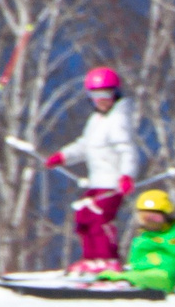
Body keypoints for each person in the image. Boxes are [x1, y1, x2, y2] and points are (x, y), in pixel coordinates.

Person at [46, 67, 139, 275]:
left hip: (113, 182)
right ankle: (91, 259)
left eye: (106, 94)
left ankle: (108, 259)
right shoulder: (96, 120)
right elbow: (85, 145)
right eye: (95, 95)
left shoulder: (118, 119)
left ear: (115, 93)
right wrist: (63, 156)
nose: (101, 100)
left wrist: (127, 176)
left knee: (100, 218)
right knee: (84, 215)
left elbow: (128, 150)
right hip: (98, 181)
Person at [105, 186, 175, 295]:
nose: (150, 223)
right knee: (110, 273)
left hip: (165, 276)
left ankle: (125, 282)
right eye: (145, 218)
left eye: (155, 219)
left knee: (144, 277)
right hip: (141, 274)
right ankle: (112, 281)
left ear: (167, 218)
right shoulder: (142, 239)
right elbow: (136, 262)